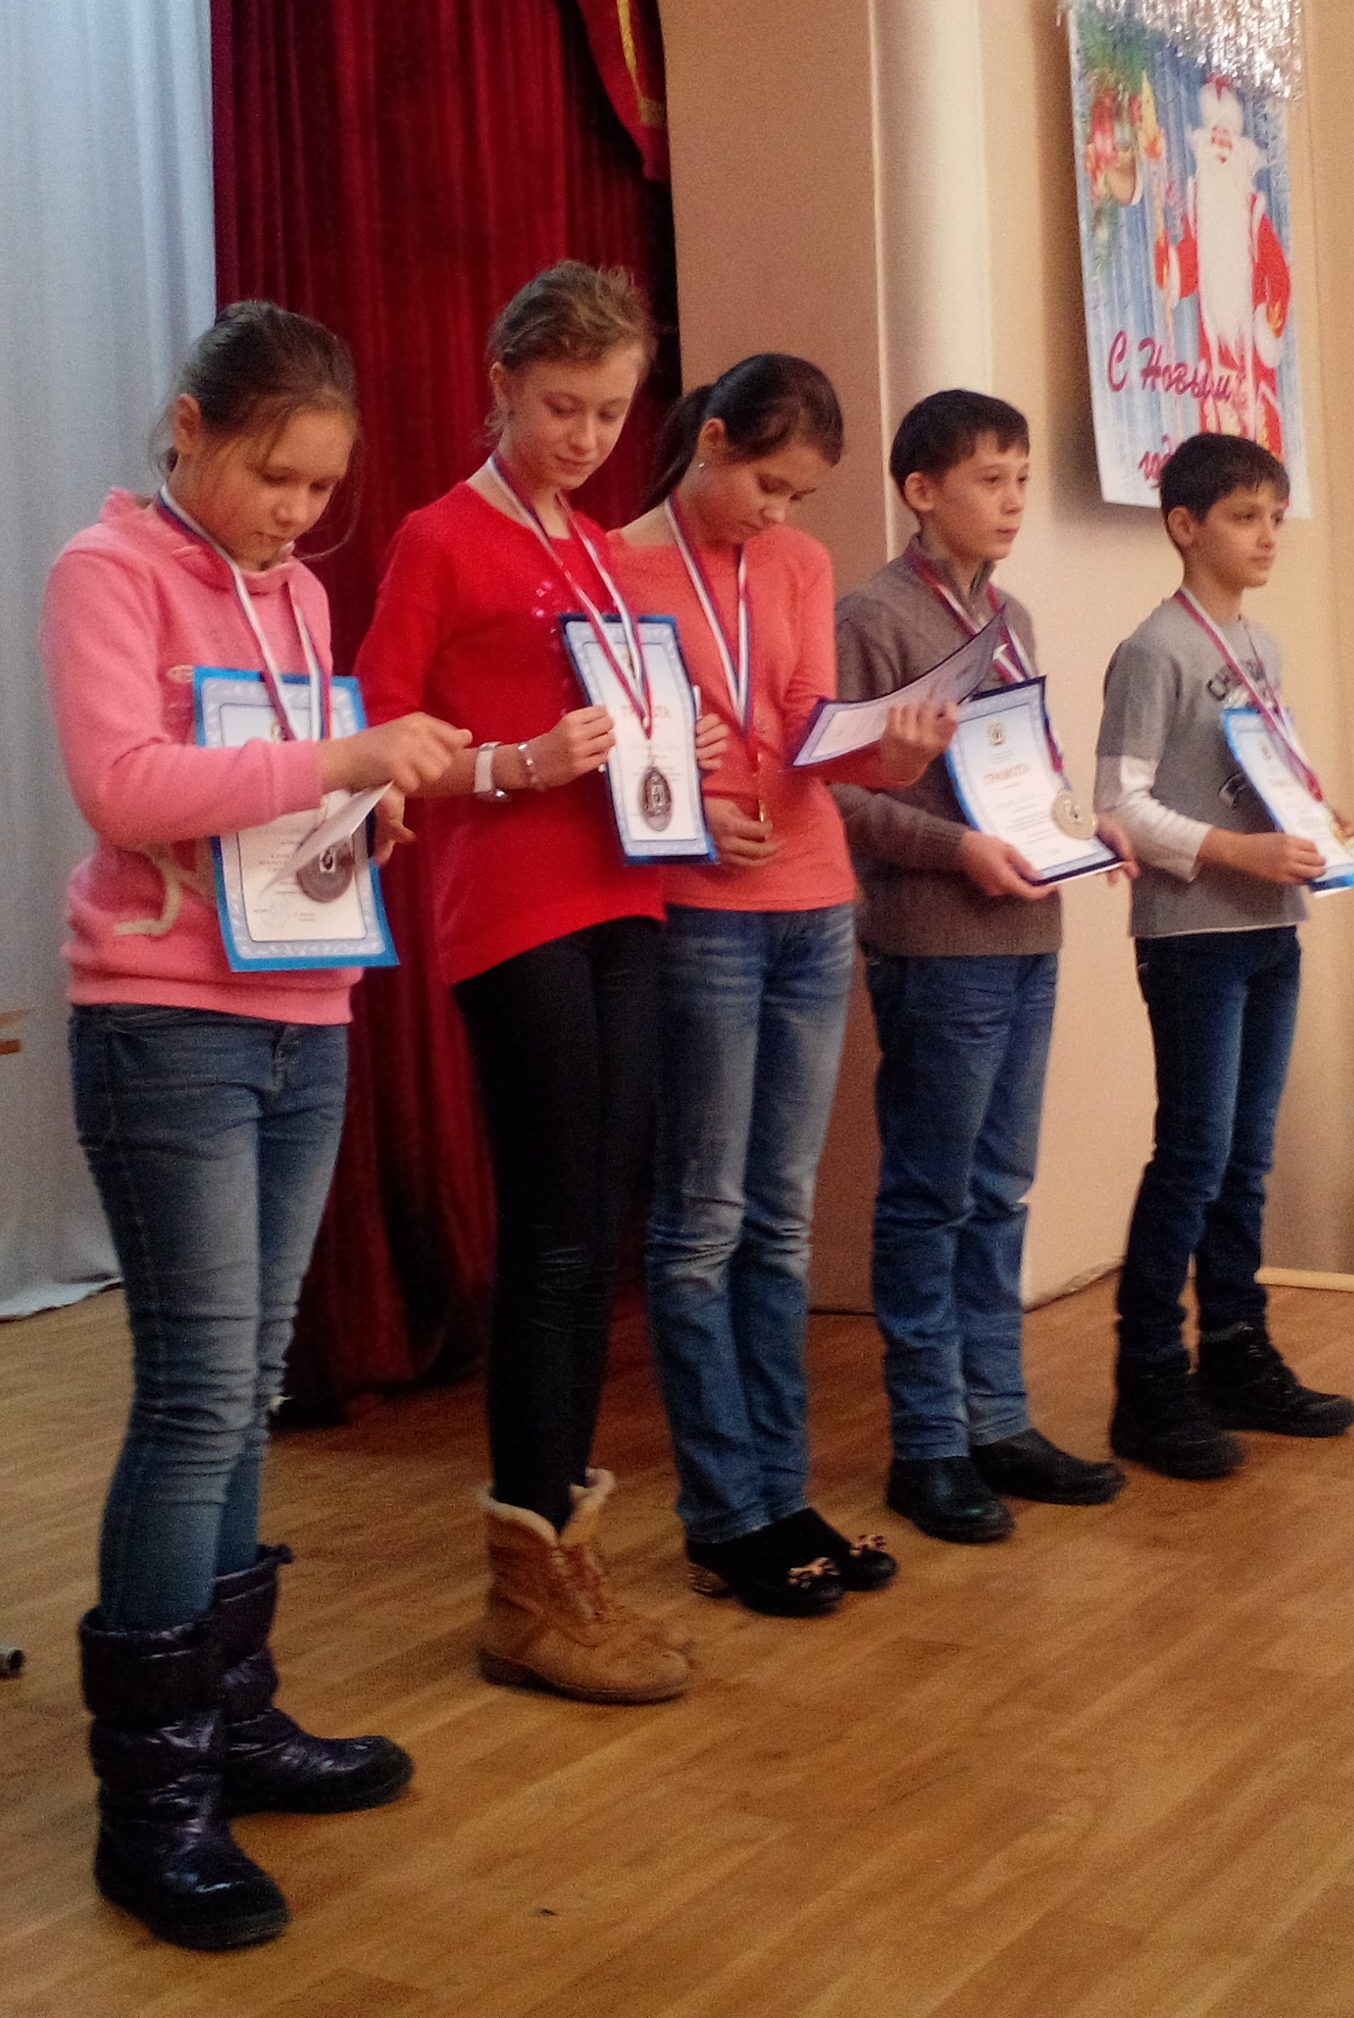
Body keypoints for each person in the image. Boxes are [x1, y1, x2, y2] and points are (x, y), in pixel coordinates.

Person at [44, 303, 467, 1953]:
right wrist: (338, 751)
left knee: (251, 1380)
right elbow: (125, 786)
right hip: (165, 1027)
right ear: (188, 428)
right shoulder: (107, 571)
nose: (298, 513)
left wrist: (359, 811)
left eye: (323, 487)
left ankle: (231, 1717)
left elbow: (275, 787)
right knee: (194, 1395)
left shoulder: (295, 593)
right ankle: (150, 1804)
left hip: (306, 1012)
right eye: (273, 475)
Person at [355, 260, 715, 1705]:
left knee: (595, 1234)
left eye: (611, 412)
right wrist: (512, 764)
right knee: (555, 1236)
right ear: (503, 384)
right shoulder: (440, 538)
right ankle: (525, 1582)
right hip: (511, 909)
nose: (585, 436)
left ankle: (564, 1552)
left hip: (626, 890)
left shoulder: (600, 550)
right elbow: (377, 735)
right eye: (563, 405)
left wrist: (687, 759)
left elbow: (627, 715)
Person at [607, 357, 950, 1616]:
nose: (779, 514)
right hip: (702, 914)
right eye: (767, 484)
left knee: (783, 1221)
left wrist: (890, 746)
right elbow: (617, 760)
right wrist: (694, 814)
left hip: (814, 902)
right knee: (703, 1220)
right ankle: (724, 1514)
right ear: (709, 442)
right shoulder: (614, 569)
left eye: (799, 496)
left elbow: (807, 720)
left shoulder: (797, 567)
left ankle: (784, 1496)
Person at [832, 390, 1129, 1546]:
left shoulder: (1012, 619)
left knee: (1001, 1188)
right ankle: (928, 1445)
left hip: (1025, 934)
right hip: (935, 939)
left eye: (1021, 480)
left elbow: (1025, 775)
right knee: (930, 1196)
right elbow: (839, 794)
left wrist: (1084, 828)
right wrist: (956, 849)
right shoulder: (874, 617)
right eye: (990, 481)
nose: (1012, 502)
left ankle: (998, 1421)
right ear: (921, 491)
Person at [1095, 431, 1354, 1481]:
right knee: (1194, 1156)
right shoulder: (1155, 650)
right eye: (1246, 517)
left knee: (1247, 1158)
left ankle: (1236, 1352)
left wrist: (1317, 822)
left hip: (1268, 928)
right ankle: (1148, 1379)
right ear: (1185, 525)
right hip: (1193, 935)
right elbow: (1122, 805)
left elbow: (1265, 774)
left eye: (1275, 518)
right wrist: (1238, 850)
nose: (1267, 536)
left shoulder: (1264, 647)